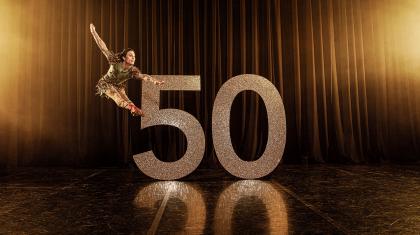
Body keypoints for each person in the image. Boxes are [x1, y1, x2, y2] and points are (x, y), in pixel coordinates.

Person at [90, 23, 164, 116]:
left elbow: (143, 76)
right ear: (124, 58)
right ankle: (131, 107)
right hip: (106, 83)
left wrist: (154, 81)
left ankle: (133, 108)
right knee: (117, 97)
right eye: (130, 55)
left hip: (119, 85)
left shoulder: (132, 71)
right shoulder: (115, 61)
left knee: (125, 97)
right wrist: (94, 32)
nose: (133, 58)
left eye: (134, 56)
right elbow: (103, 48)